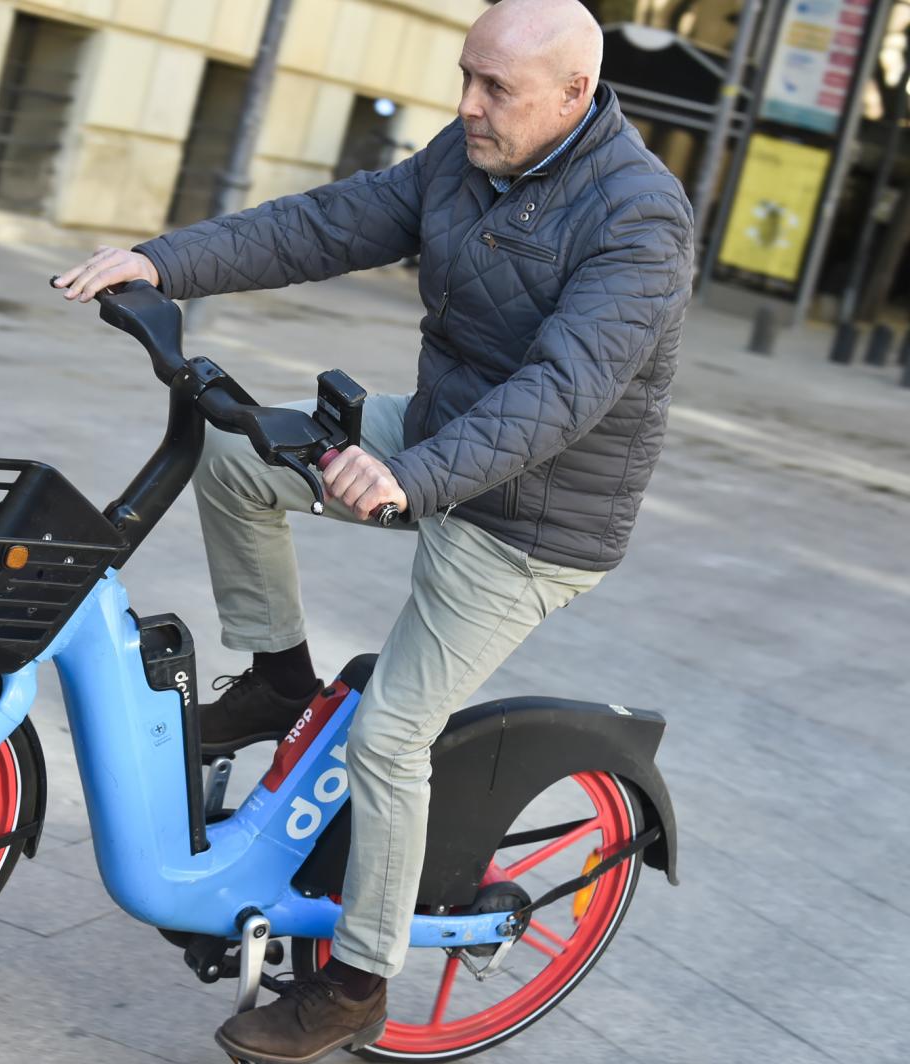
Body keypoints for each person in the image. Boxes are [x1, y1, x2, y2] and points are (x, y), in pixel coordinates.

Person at [53, 0, 693, 1059]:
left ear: (576, 95)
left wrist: (408, 475)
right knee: (233, 451)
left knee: (389, 734)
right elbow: (327, 223)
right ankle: (275, 676)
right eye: (465, 76)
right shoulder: (467, 153)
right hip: (434, 441)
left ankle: (355, 980)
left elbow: (560, 392)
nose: (466, 105)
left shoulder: (639, 218)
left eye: (496, 89)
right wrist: (162, 262)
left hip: (535, 516)